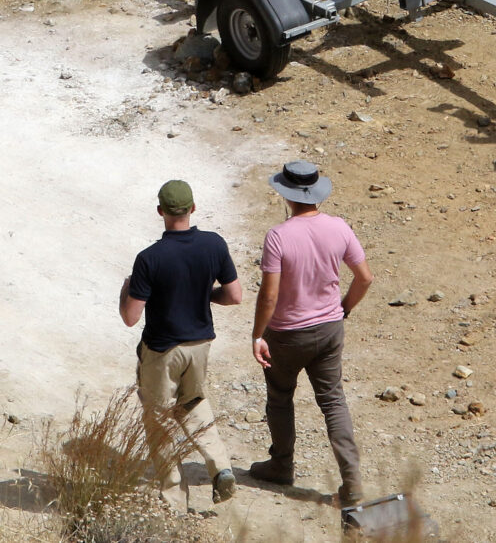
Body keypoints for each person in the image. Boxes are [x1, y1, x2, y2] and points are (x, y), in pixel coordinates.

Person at [248, 160, 373, 523]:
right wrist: (343, 310)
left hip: (287, 333)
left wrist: (258, 334)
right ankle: (351, 486)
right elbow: (364, 278)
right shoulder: (339, 227)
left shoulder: (278, 236)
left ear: (285, 194)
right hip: (330, 329)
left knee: (280, 395)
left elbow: (269, 296)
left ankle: (281, 465)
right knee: (334, 402)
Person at [119, 178, 243, 504]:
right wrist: (204, 294)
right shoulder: (214, 245)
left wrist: (126, 288)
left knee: (159, 420)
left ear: (160, 211)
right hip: (200, 345)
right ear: (193, 208)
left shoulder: (149, 258)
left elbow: (131, 317)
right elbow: (234, 296)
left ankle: (174, 500)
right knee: (194, 402)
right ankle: (221, 468)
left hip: (163, 350)